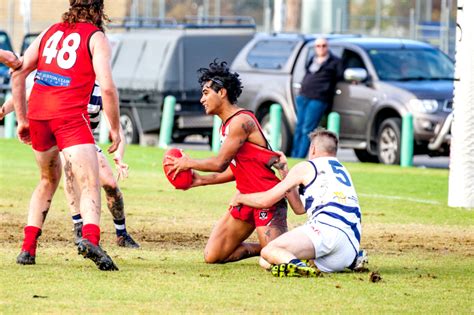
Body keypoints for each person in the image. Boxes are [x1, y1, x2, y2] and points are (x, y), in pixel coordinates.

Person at [11, 0, 121, 271]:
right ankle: (91, 239)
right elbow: (107, 88)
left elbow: (20, 71)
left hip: (38, 113)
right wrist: (116, 130)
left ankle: (27, 248)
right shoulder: (96, 37)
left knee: (47, 180)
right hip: (69, 115)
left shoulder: (49, 31)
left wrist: (23, 119)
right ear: (99, 9)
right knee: (89, 182)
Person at [164, 60, 288, 264]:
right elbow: (234, 170)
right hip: (246, 198)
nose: (202, 99)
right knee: (213, 256)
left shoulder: (241, 121)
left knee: (277, 256)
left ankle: (280, 246)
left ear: (221, 92)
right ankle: (262, 248)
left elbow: (220, 163)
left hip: (267, 197)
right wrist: (200, 181)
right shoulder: (226, 126)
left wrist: (188, 163)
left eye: (206, 93)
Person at [231, 128, 367, 277]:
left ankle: (298, 266)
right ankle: (352, 260)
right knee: (266, 261)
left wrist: (241, 198)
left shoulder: (307, 167)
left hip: (326, 230)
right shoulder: (343, 170)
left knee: (268, 251)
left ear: (313, 149)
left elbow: (266, 200)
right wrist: (284, 171)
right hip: (349, 247)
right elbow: (299, 208)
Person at [291, 37, 342, 158]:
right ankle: (293, 155)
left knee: (307, 129)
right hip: (303, 96)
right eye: (318, 46)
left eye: (324, 45)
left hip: (319, 98)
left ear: (328, 47)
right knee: (299, 127)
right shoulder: (312, 59)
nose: (321, 48)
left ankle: (300, 156)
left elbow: (340, 77)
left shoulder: (335, 62)